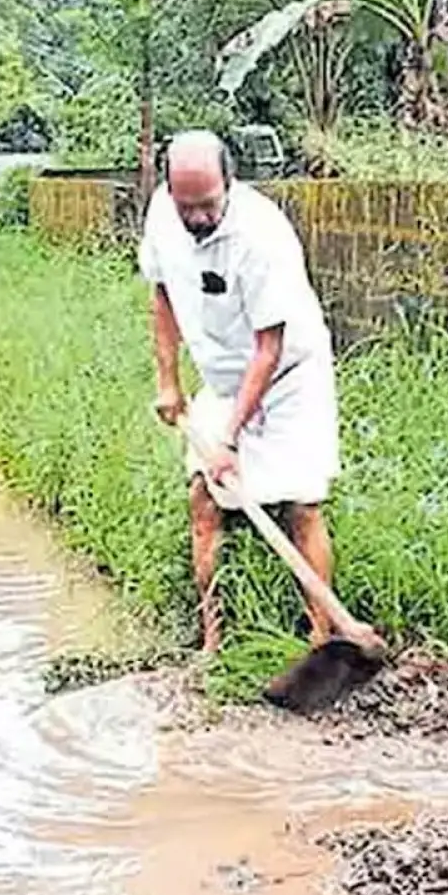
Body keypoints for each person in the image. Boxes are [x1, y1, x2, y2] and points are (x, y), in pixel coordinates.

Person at [139, 129, 342, 654]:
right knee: (205, 501)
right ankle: (214, 641)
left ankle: (321, 637)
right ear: (169, 192)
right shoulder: (163, 216)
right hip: (225, 377)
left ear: (229, 183)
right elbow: (161, 293)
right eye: (188, 207)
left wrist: (228, 438)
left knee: (302, 506)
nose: (199, 218)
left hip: (291, 377)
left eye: (208, 205)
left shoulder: (263, 237)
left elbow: (268, 351)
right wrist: (168, 380)